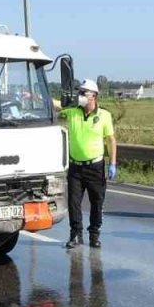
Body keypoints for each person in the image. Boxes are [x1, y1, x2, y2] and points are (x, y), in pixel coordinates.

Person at [59, 79, 117, 249]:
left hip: (95, 167)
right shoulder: (72, 112)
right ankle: (75, 234)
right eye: (80, 92)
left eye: (85, 93)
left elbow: (111, 140)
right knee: (74, 203)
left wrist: (112, 163)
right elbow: (57, 106)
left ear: (94, 96)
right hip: (75, 167)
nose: (81, 95)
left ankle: (94, 234)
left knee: (97, 202)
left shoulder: (104, 115)